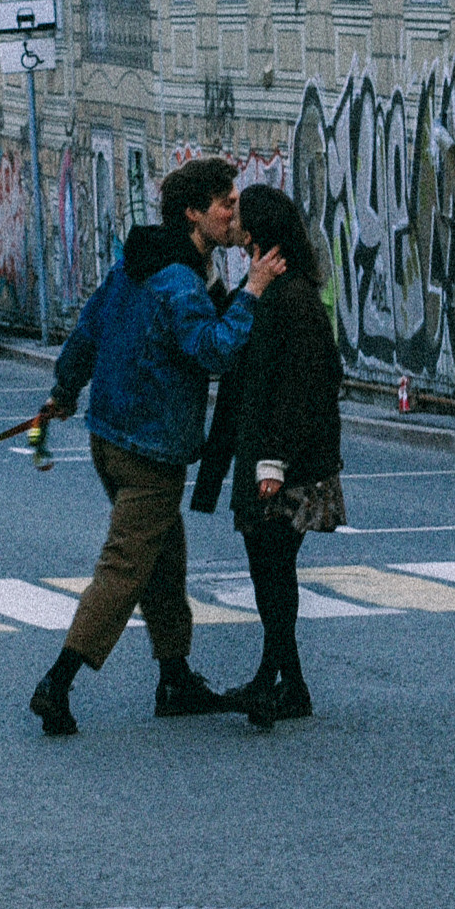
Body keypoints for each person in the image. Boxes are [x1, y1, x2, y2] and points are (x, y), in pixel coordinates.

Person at [27, 155, 283, 736]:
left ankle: (175, 677)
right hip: (150, 448)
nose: (234, 214)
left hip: (110, 436)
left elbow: (89, 330)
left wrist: (64, 392)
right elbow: (212, 350)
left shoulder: (135, 265)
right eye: (226, 204)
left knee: (163, 559)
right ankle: (57, 682)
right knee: (124, 565)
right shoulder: (178, 280)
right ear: (194, 213)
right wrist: (254, 292)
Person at [195, 182, 343, 727]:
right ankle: (282, 682)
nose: (229, 218)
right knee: (268, 569)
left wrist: (273, 462)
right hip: (266, 457)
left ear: (255, 230)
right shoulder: (266, 289)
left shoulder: (292, 296)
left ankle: (281, 683)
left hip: (286, 465)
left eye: (238, 214)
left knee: (274, 569)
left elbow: (301, 387)